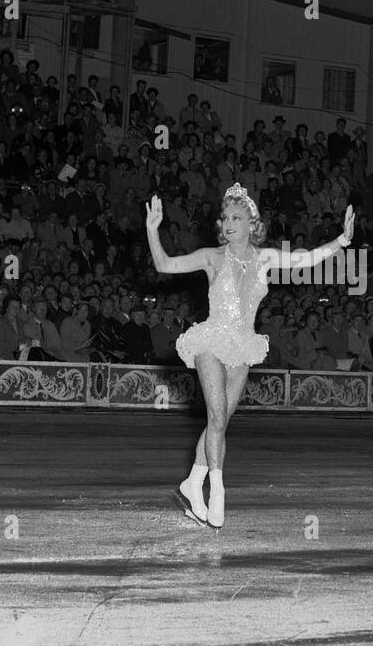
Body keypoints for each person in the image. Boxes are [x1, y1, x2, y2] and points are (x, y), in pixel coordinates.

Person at [145, 183, 354, 528]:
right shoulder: (212, 256)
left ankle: (192, 483)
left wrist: (342, 241)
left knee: (221, 421)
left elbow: (305, 258)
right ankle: (218, 490)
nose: (228, 223)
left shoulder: (264, 258)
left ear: (251, 224)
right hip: (211, 340)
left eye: (236, 217)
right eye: (225, 217)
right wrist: (154, 231)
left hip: (242, 345)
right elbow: (164, 264)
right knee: (215, 415)